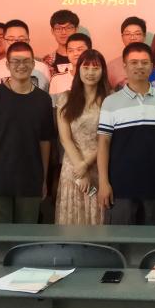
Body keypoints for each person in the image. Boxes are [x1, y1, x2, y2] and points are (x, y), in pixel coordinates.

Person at [0, 42, 55, 224]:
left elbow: (45, 142)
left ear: (33, 64)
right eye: (16, 61)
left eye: (26, 61)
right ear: (7, 65)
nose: (21, 65)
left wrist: (43, 179)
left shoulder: (43, 99)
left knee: (26, 237)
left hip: (30, 181)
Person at [97, 42, 155, 225]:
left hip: (154, 186)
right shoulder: (110, 102)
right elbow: (103, 143)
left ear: (151, 66)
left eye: (144, 62)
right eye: (134, 62)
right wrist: (104, 182)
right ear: (125, 66)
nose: (140, 66)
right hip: (120, 187)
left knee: (154, 238)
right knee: (120, 238)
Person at [55, 49, 110, 226]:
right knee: (72, 219)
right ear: (78, 69)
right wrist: (80, 167)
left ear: (103, 71)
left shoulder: (109, 100)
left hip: (99, 167)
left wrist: (86, 165)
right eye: (86, 67)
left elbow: (107, 139)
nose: (90, 72)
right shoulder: (66, 98)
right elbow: (65, 138)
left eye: (96, 68)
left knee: (96, 213)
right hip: (73, 169)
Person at [0, 19, 52, 91]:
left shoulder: (42, 68)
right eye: (11, 40)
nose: (16, 43)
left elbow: (47, 96)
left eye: (21, 39)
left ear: (28, 41)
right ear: (4, 41)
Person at [49, 33, 92, 103]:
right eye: (70, 50)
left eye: (79, 49)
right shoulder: (56, 80)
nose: (75, 53)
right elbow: (53, 106)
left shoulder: (95, 77)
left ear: (90, 51)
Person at [107, 16, 147, 90]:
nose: (132, 38)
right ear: (122, 37)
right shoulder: (111, 67)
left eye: (137, 34)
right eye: (128, 34)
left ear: (144, 36)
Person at [42, 9, 79, 75]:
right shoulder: (47, 61)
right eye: (58, 28)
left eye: (68, 28)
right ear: (52, 31)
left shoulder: (85, 58)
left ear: (76, 29)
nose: (63, 32)